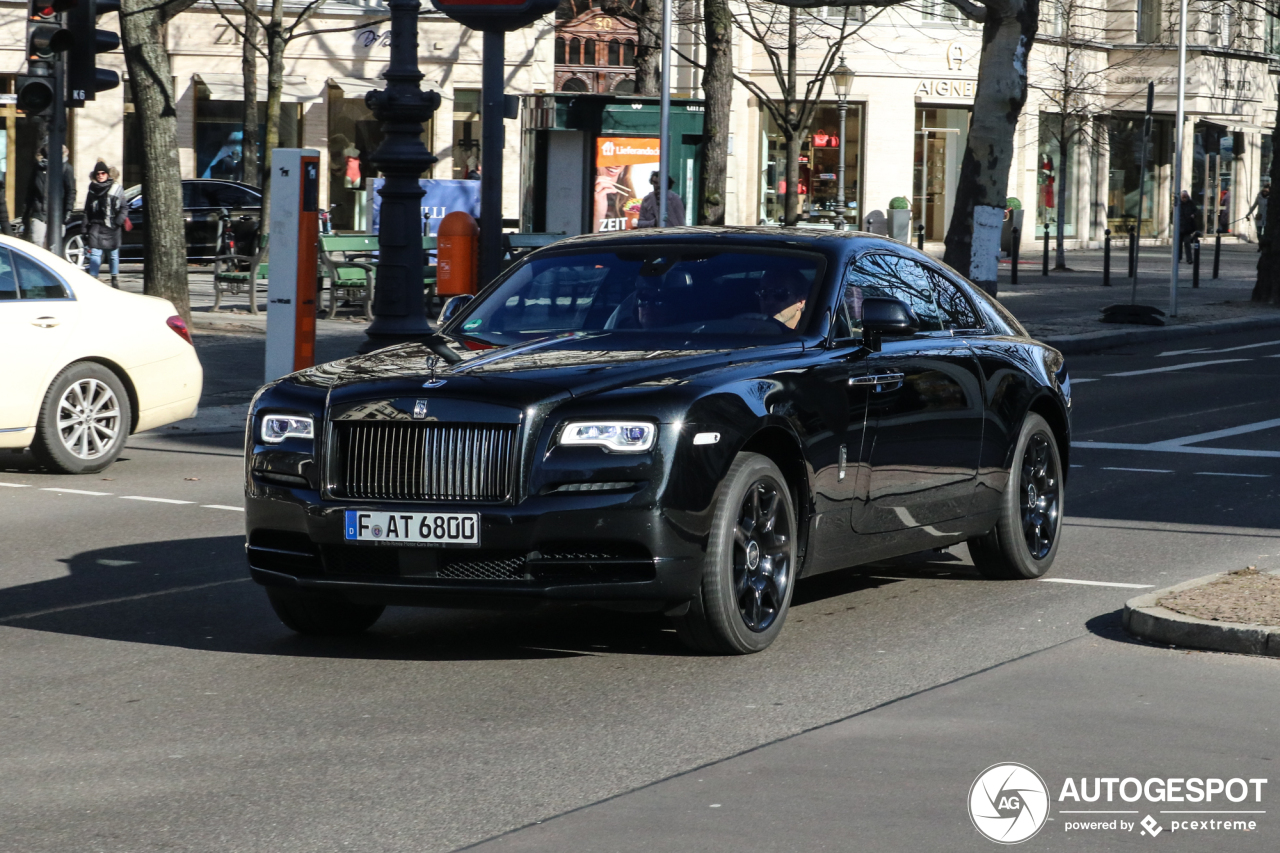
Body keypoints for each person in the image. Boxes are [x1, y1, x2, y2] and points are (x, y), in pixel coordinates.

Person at [23, 145, 76, 250]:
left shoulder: (66, 169)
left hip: (57, 215)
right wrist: (26, 212)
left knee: (54, 247)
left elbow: (71, 191)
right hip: (39, 213)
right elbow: (30, 190)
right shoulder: (38, 168)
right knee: (37, 244)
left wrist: (68, 210)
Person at [83, 160, 126, 287]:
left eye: (103, 173)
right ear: (95, 175)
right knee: (95, 254)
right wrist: (84, 228)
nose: (100, 175)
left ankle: (114, 278)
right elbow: (87, 210)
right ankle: (94, 279)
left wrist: (118, 222)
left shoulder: (116, 189)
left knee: (113, 255)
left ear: (107, 174)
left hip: (111, 226)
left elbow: (124, 208)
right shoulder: (92, 190)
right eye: (98, 174)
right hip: (96, 226)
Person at [1177, 190, 1199, 263]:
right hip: (1179, 227)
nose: (1184, 199)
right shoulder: (1178, 204)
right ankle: (1178, 258)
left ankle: (1189, 259)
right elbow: (1172, 214)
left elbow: (1196, 211)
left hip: (1187, 227)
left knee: (1187, 243)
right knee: (1179, 244)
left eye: (1185, 197)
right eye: (1183, 197)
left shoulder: (1191, 203)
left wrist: (1194, 215)